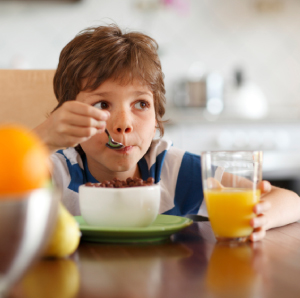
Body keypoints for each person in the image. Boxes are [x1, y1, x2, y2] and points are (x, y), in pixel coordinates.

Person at [34, 24, 300, 242]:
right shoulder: (58, 172)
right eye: (102, 104)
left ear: (157, 117)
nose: (124, 124)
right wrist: (42, 138)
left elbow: (291, 202)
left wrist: (261, 215)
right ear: (67, 114)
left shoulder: (172, 169)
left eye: (141, 104)